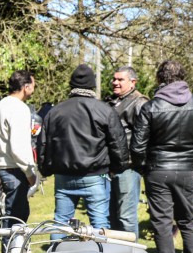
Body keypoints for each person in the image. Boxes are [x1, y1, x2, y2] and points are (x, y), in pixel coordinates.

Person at [130, 60, 193, 253]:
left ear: (160, 78)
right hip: (185, 168)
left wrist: (144, 168)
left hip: (158, 169)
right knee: (187, 219)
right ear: (183, 77)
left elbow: (137, 146)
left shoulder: (151, 107)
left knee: (162, 221)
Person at [39, 64, 129, 234]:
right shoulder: (104, 110)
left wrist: (45, 169)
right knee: (100, 225)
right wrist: (116, 168)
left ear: (72, 85)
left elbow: (44, 143)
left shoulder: (55, 111)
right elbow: (118, 144)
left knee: (60, 223)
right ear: (92, 85)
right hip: (95, 175)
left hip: (64, 176)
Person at [0, 70, 38, 239]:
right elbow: (18, 147)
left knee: (13, 216)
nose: (34, 88)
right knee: (15, 221)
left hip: (4, 166)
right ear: (25, 87)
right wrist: (29, 172)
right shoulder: (19, 108)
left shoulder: (1, 105)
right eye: (33, 85)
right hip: (15, 168)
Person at [108, 66, 148, 237]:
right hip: (110, 166)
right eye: (114, 79)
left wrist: (133, 161)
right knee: (113, 215)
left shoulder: (139, 102)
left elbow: (144, 136)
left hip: (128, 167)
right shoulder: (111, 101)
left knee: (126, 216)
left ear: (133, 82)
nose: (115, 82)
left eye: (120, 79)